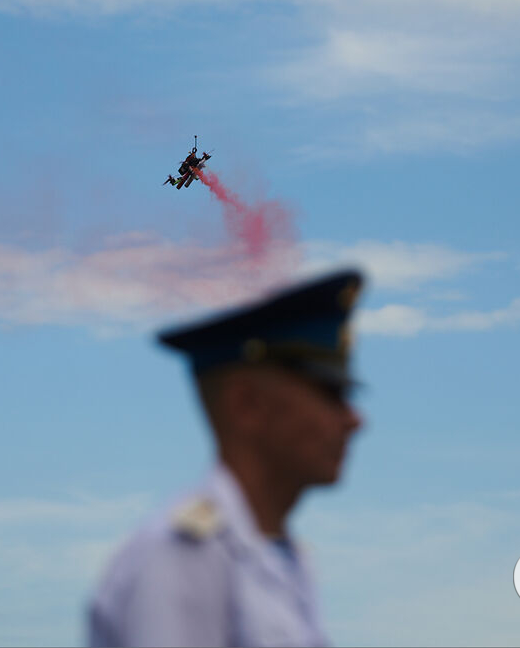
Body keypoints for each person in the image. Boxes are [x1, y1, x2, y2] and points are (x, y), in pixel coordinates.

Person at [87, 268, 365, 647]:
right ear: (246, 404)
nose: (354, 419)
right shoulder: (182, 559)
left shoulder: (284, 560)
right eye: (330, 392)